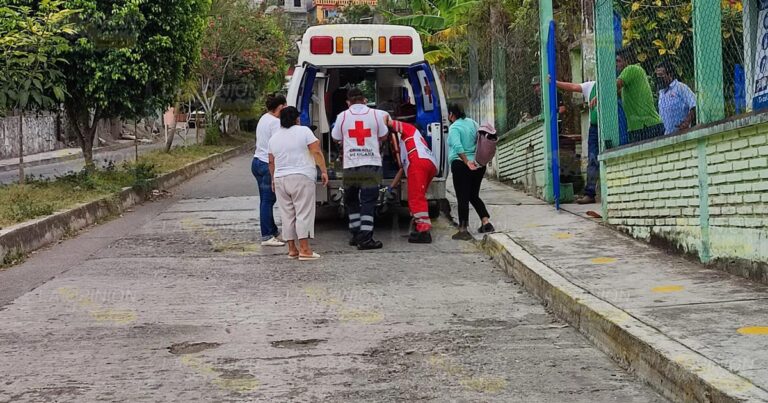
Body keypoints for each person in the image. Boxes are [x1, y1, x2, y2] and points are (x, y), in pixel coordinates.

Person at [331, 87, 390, 250]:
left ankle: (356, 234)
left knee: (351, 200)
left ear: (348, 102)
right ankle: (365, 238)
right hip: (371, 164)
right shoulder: (375, 114)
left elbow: (335, 137)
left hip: (351, 165)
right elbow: (384, 135)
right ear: (364, 99)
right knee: (368, 202)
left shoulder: (342, 116)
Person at [268, 106, 329, 261]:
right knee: (303, 213)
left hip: (280, 178)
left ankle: (292, 250)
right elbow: (316, 151)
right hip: (302, 176)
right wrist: (323, 171)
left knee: (287, 215)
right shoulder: (304, 131)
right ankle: (305, 250)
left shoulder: (274, 137)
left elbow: (271, 161)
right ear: (296, 119)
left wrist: (273, 179)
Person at [554, 77, 628, 203]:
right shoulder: (591, 86)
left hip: (610, 125)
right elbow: (573, 87)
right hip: (594, 128)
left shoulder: (613, 87)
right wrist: (555, 82)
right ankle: (590, 193)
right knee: (593, 159)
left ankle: (616, 190)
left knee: (614, 155)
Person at [447, 103, 494, 240]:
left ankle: (463, 229)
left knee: (462, 197)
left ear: (451, 114)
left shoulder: (454, 127)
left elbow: (457, 146)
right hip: (478, 164)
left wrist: (466, 161)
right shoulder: (472, 123)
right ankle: (486, 222)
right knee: (473, 195)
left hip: (462, 165)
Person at [388, 119, 438, 244]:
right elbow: (401, 169)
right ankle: (419, 225)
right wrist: (391, 187)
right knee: (417, 196)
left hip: (418, 163)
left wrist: (378, 118)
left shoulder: (409, 129)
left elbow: (390, 122)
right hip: (428, 164)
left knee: (416, 198)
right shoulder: (409, 142)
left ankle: (423, 231)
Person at [252, 94, 287, 247]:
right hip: (267, 165)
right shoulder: (275, 123)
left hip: (257, 162)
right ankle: (267, 236)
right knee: (268, 201)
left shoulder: (264, 118)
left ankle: (272, 231)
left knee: (265, 200)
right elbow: (278, 145)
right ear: (279, 107)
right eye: (284, 106)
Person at [615, 48, 665, 143]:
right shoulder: (635, 74)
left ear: (627, 60)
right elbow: (618, 92)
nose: (616, 64)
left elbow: (614, 88)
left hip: (645, 126)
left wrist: (598, 98)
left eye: (618, 61)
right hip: (641, 127)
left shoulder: (631, 69)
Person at [655, 61, 696, 135]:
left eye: (661, 76)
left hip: (682, 133)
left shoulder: (680, 87)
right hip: (666, 136)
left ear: (670, 74)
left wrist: (687, 122)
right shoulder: (661, 93)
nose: (659, 79)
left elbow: (694, 105)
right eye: (657, 76)